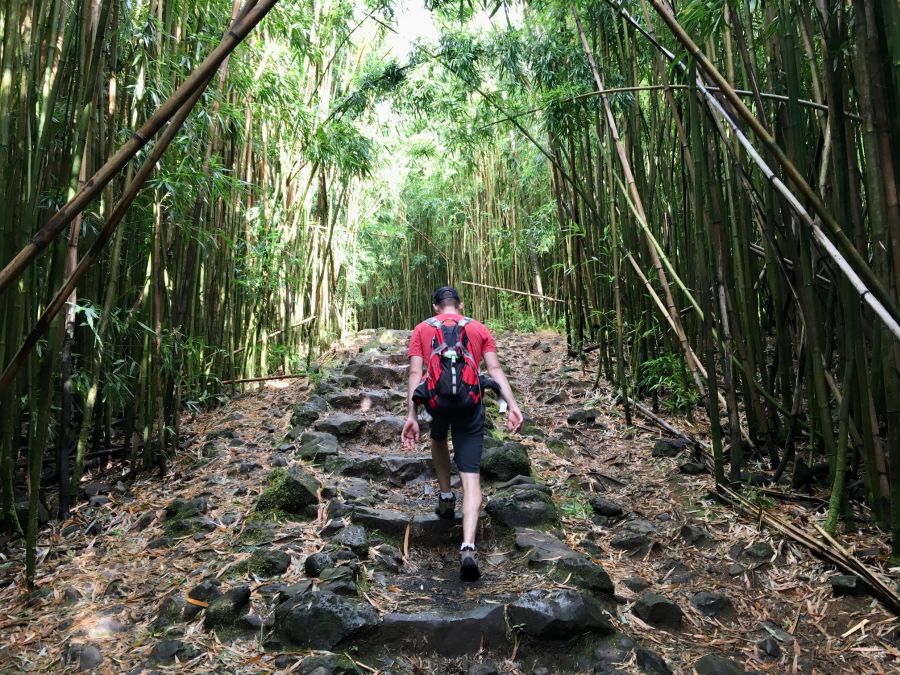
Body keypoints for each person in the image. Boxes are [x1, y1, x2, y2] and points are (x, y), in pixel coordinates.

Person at [401, 286, 523, 581]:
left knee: (438, 438)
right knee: (471, 476)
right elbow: (493, 369)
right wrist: (512, 405)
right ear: (461, 306)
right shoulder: (479, 329)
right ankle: (468, 546)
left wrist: (411, 415)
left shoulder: (422, 330)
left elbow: (416, 374)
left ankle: (445, 497)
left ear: (435, 307)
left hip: (437, 403)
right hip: (471, 405)